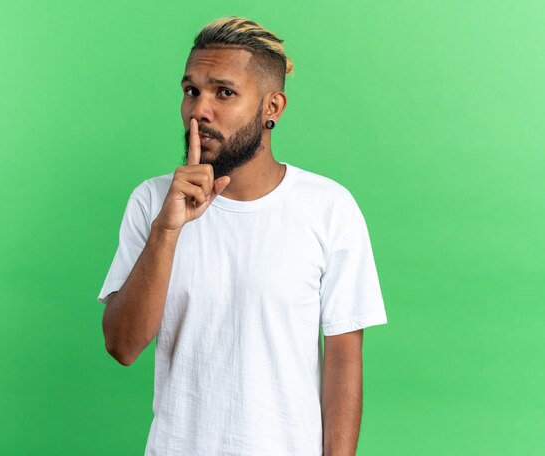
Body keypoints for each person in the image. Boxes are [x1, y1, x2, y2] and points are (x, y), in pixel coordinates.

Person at [97, 16, 388, 456]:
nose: (199, 111)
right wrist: (167, 230)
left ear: (272, 108)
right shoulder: (153, 201)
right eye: (191, 91)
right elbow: (122, 346)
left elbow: (344, 359)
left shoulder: (329, 207)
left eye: (224, 92)